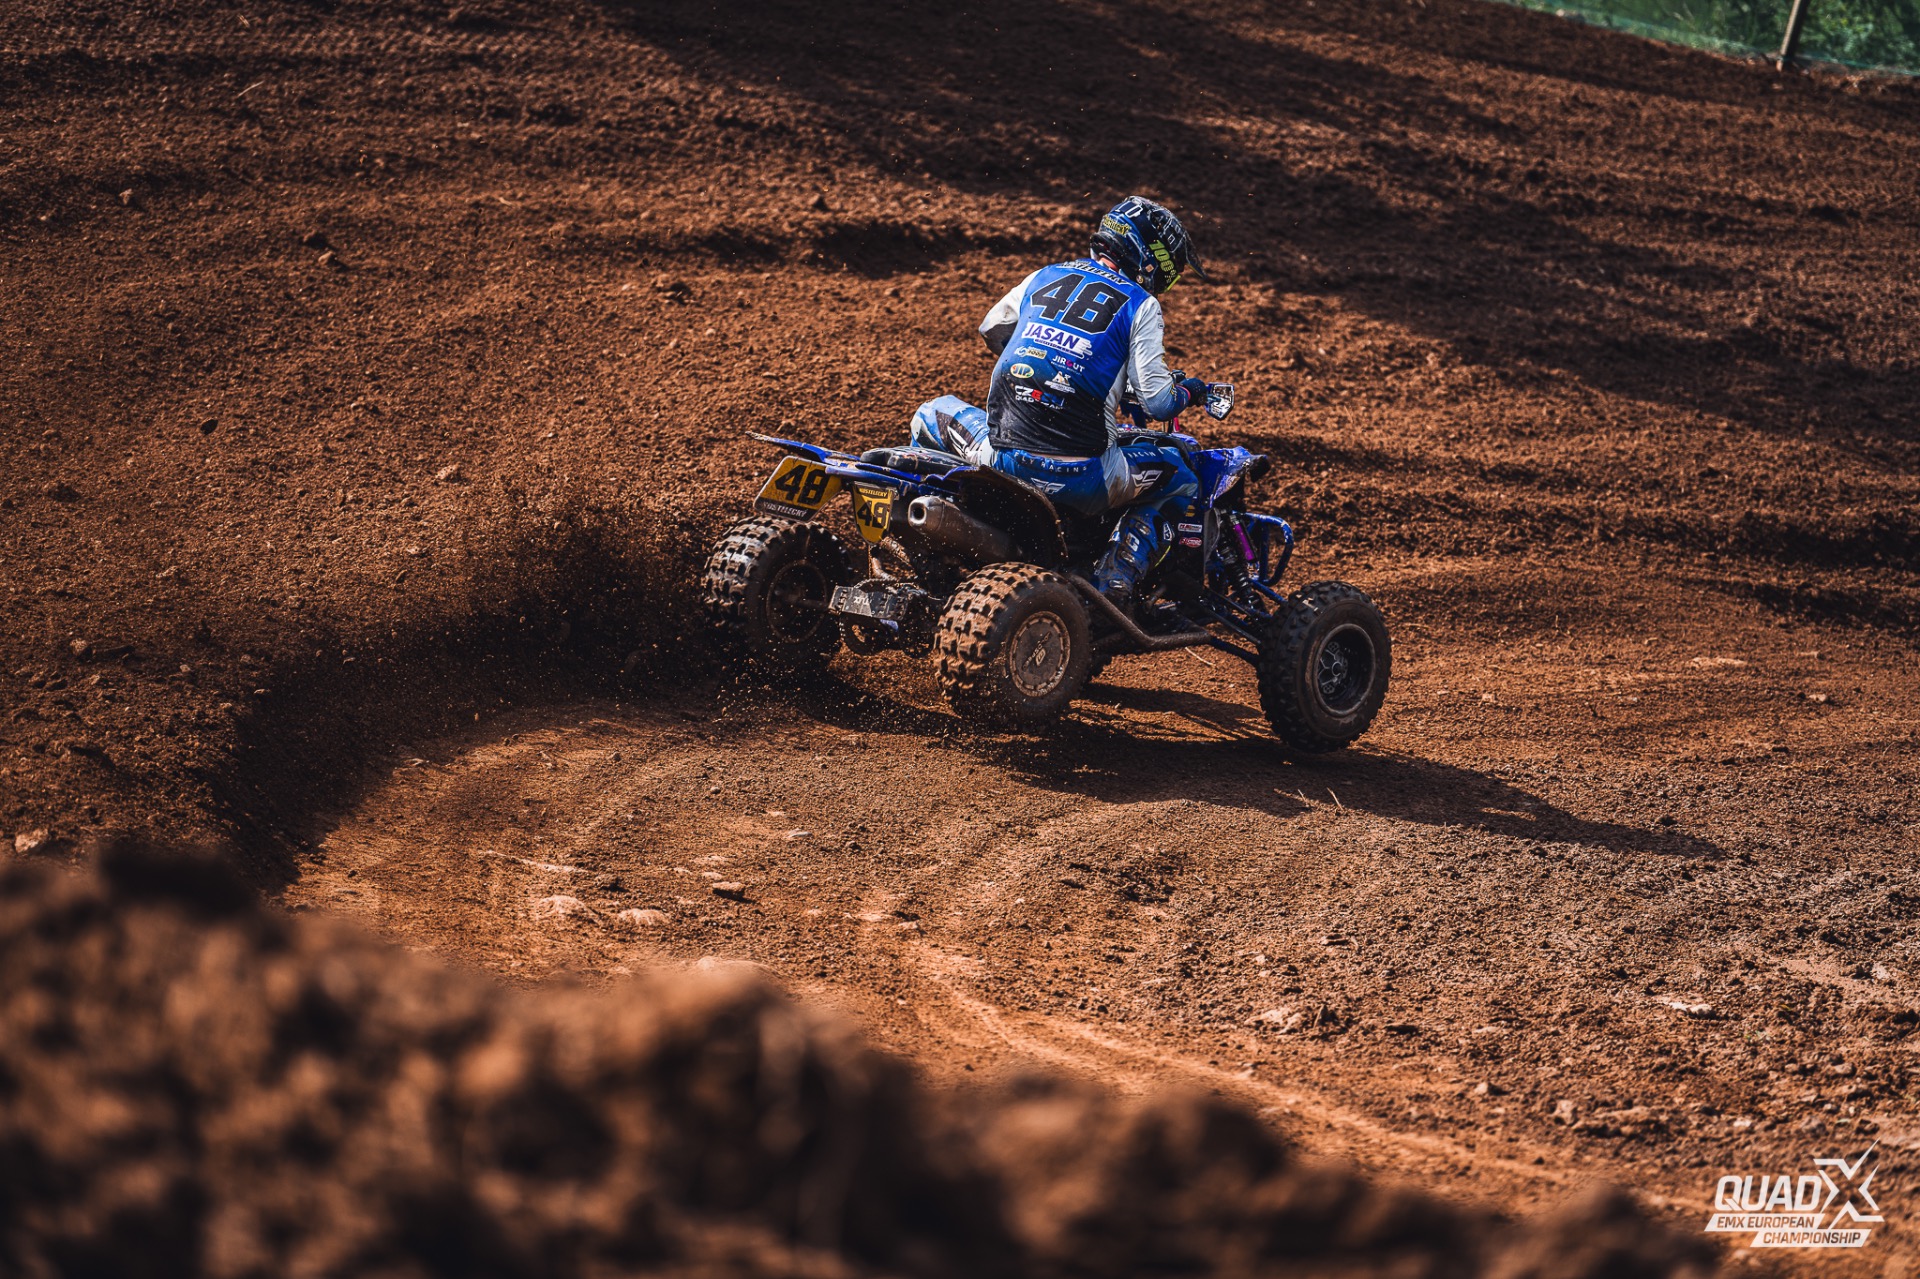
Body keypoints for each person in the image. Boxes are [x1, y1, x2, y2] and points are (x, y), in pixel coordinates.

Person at [907, 196, 1210, 611]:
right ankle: (1115, 578)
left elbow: (992, 328)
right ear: (1150, 258)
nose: (1164, 284)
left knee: (929, 413)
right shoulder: (1142, 304)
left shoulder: (1047, 275)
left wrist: (1041, 366)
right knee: (1183, 474)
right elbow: (1158, 402)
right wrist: (1190, 390)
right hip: (1086, 478)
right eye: (1168, 274)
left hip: (997, 457)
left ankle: (929, 545)